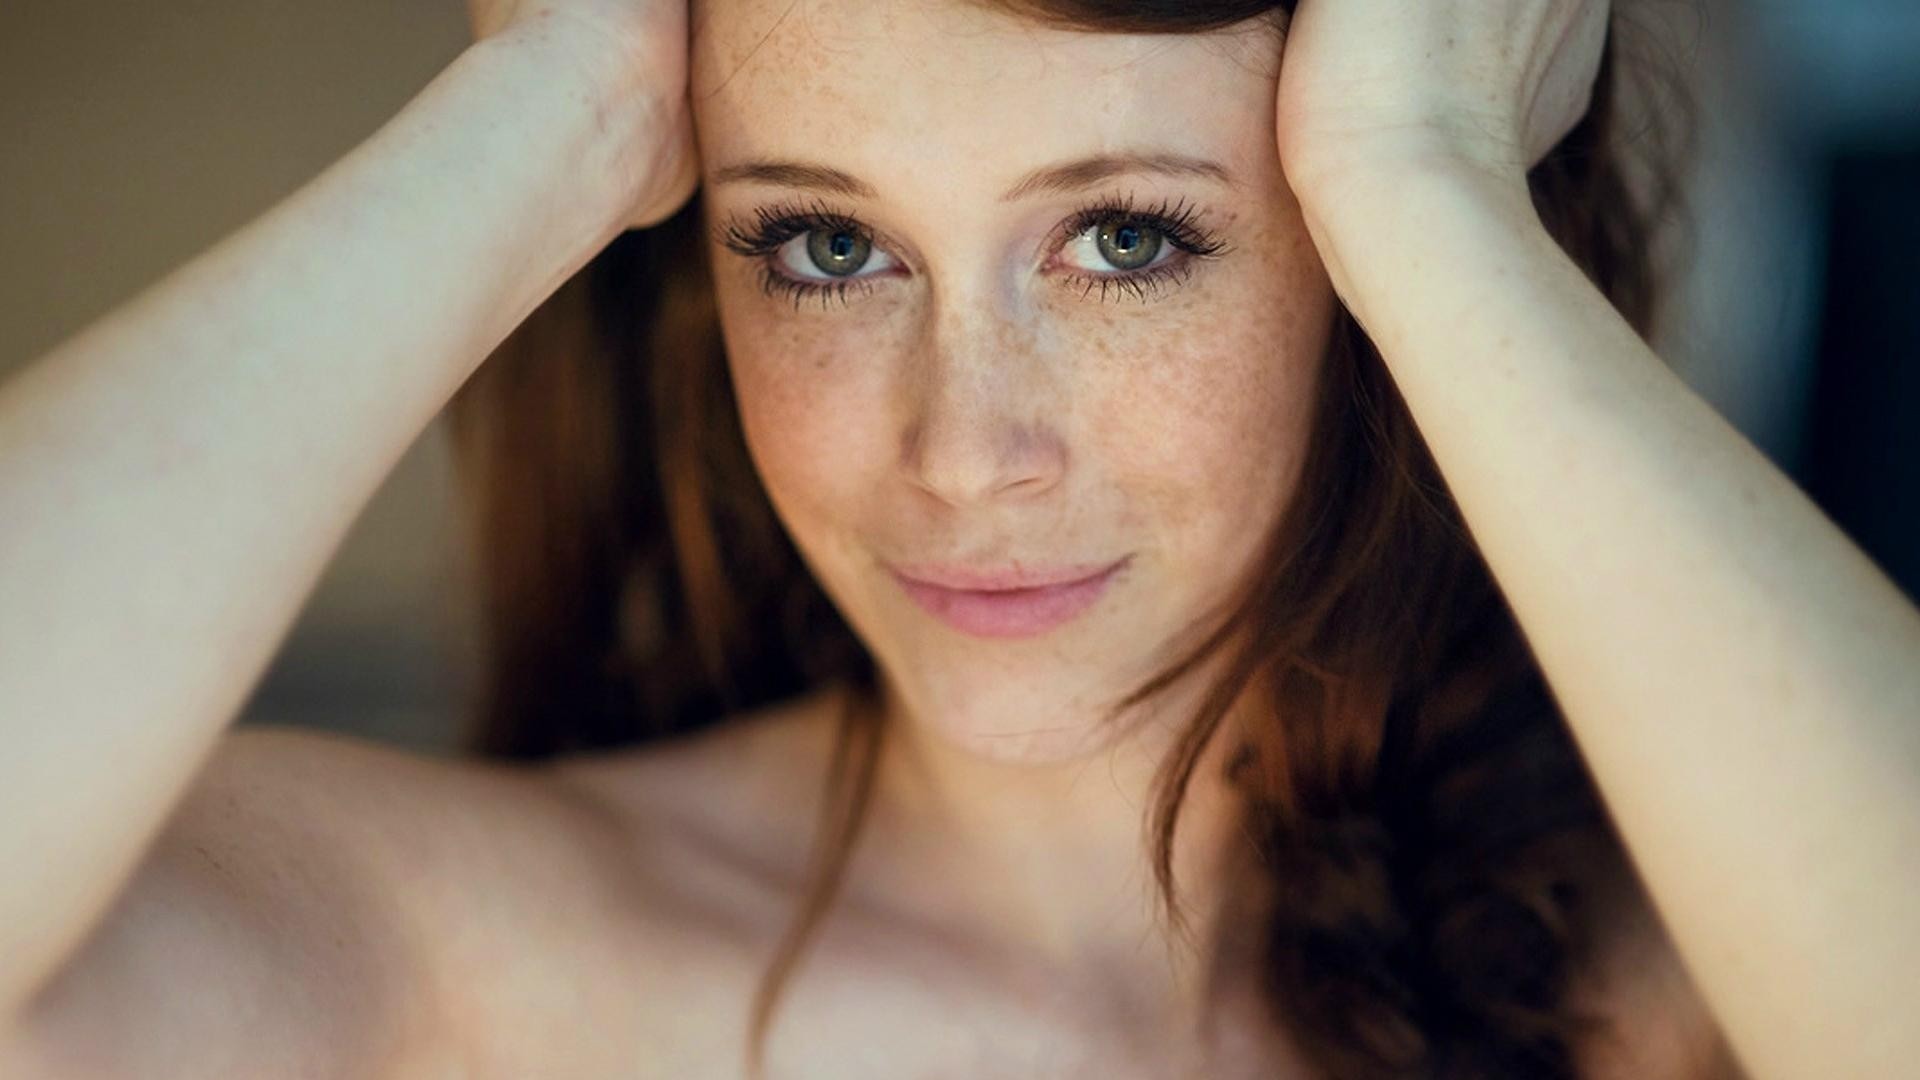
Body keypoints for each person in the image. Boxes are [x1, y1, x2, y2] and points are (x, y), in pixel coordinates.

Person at [1, 0, 1915, 1075]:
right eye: (826, 246)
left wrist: (1420, 180)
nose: (961, 450)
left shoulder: (1676, 977)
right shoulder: (456, 960)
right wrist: (554, 104)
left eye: (1129, 240)